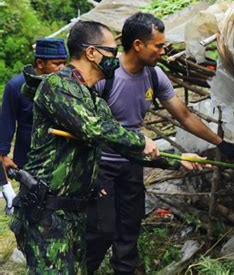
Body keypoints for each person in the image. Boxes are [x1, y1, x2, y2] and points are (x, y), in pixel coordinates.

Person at [10, 20, 170, 273]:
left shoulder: (94, 99)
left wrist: (176, 159)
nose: (116, 59)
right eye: (112, 52)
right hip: (47, 214)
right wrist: (141, 141)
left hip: (75, 214)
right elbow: (94, 129)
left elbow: (121, 145)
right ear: (91, 52)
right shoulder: (57, 86)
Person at [86, 12, 234, 274]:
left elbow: (184, 115)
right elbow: (87, 122)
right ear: (138, 45)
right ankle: (81, 267)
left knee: (130, 226)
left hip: (133, 164)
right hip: (101, 166)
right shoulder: (106, 76)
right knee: (103, 229)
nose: (163, 50)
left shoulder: (154, 75)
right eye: (158, 45)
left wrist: (220, 142)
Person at [0, 38, 67, 215]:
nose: (62, 68)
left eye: (64, 63)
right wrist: (4, 155)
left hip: (61, 158)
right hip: (29, 160)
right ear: (40, 63)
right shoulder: (16, 86)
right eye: (56, 64)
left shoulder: (65, 85)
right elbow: (7, 121)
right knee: (31, 208)